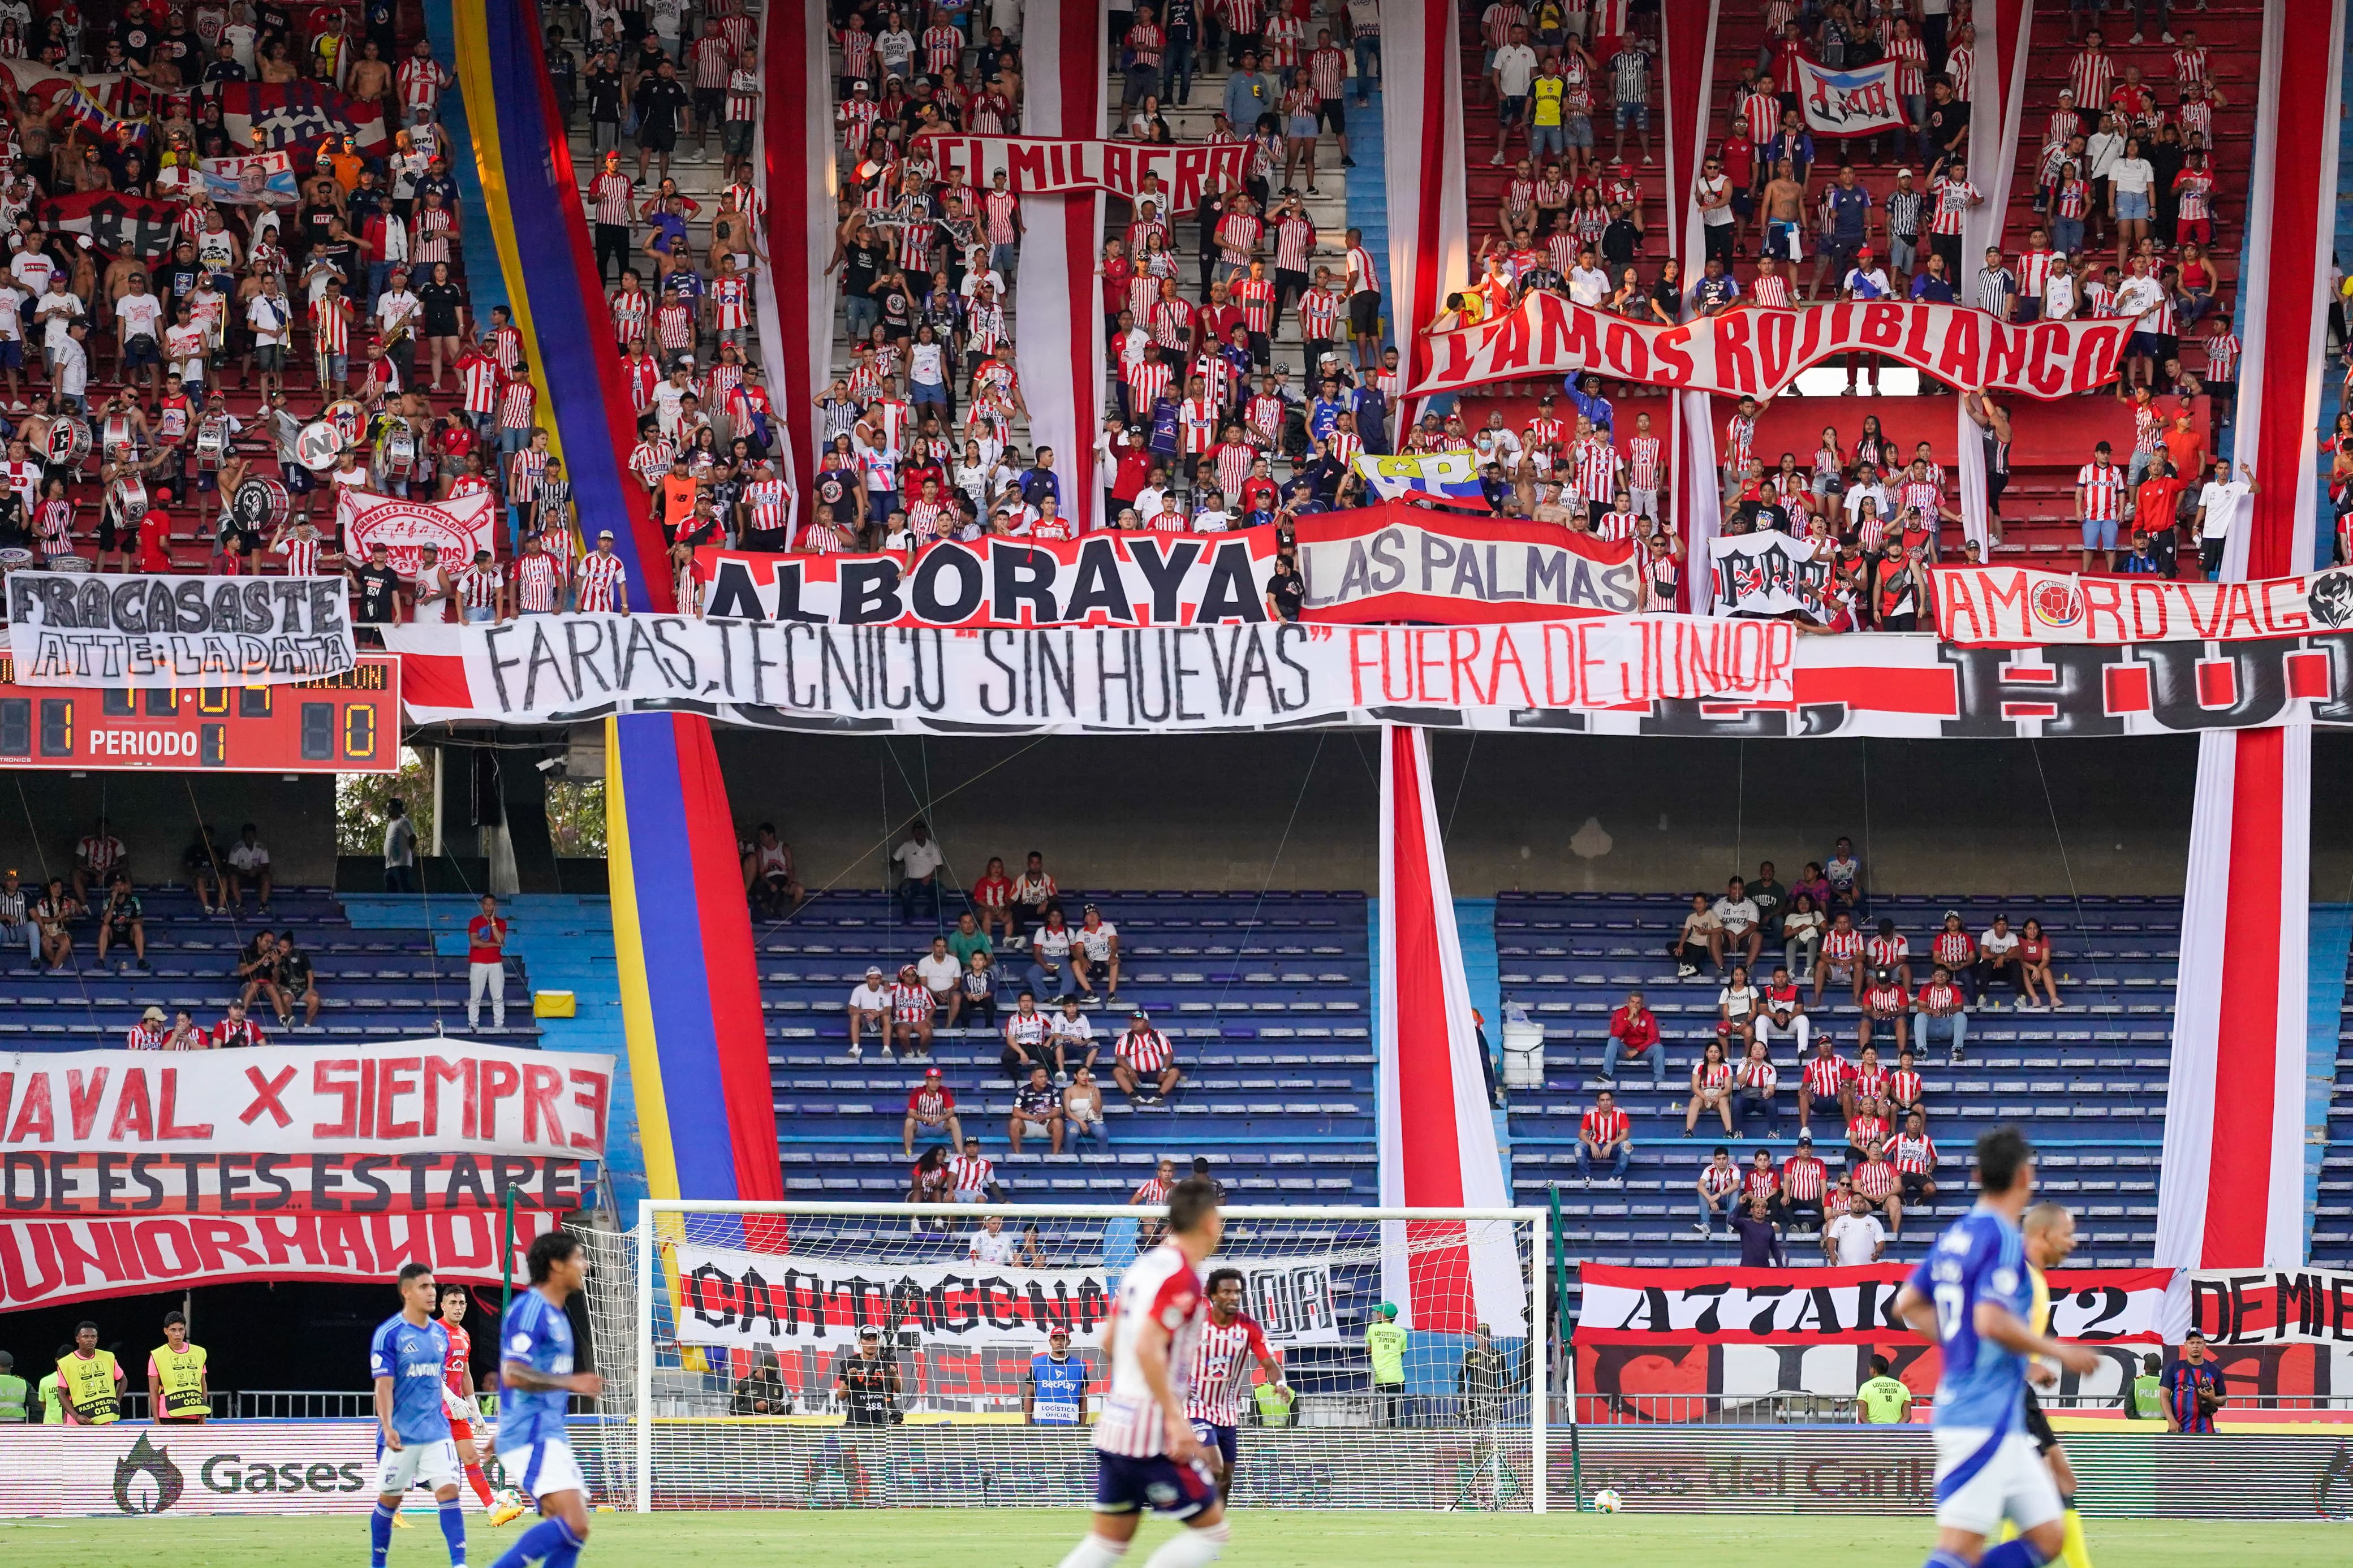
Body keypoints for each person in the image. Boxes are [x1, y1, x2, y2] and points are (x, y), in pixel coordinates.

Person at [1893, 1128, 2100, 1568]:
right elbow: (1991, 1319)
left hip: (1997, 1418)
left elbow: (1906, 1304)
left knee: (2049, 1536)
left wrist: (1961, 1340)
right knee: (1958, 1550)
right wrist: (2059, 1351)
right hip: (1977, 1416)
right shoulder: (2004, 1237)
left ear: (1976, 1174)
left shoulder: (1956, 1234)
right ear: (2026, 1175)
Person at [1056, 1175, 1230, 1568]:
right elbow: (1147, 1344)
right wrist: (1174, 1419)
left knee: (1108, 1541)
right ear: (1208, 1222)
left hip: (1117, 1420)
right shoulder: (1182, 1276)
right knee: (1212, 1531)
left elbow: (1109, 1340)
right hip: (1151, 1432)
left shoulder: (1142, 1265)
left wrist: (1132, 1389)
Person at [487, 1231, 604, 1568]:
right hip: (533, 1435)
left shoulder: (557, 1315)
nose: (585, 1266)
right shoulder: (531, 1309)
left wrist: (502, 1430)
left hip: (544, 1433)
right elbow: (513, 1373)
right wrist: (571, 1381)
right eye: (579, 1258)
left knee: (575, 1528)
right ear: (556, 1264)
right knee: (575, 1523)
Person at [368, 1263, 467, 1568]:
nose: (431, 1292)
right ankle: (378, 1563)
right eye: (424, 1287)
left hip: (436, 1431)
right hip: (401, 1434)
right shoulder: (389, 1334)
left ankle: (459, 1563)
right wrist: (387, 1427)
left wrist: (460, 1406)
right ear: (406, 1292)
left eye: (433, 1287)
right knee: (390, 1500)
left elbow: (436, 1380)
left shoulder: (441, 1336)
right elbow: (383, 1388)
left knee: (449, 1491)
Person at [2019, 1204, 2096, 1568]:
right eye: (2068, 1233)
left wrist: (2030, 1364)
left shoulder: (2035, 1279)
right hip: (2005, 1397)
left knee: (2039, 1490)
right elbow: (1985, 1326)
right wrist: (2046, 1358)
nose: (2074, 1242)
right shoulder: (2020, 1277)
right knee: (2059, 1481)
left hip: (2013, 1393)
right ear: (2044, 1234)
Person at [1186, 1266, 1288, 1497]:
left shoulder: (1249, 1327)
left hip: (1228, 1412)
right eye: (1226, 1292)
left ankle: (1213, 1529)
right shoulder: (1194, 1323)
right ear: (1212, 1295)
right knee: (1214, 1468)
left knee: (1226, 1480)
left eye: (1237, 1292)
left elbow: (1270, 1365)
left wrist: (1279, 1384)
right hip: (1196, 1407)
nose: (1233, 1297)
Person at [436, 1284, 514, 1521]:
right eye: (452, 1303)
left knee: (471, 1457)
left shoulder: (464, 1335)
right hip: (432, 1410)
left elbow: (465, 1373)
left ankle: (494, 1510)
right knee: (413, 1459)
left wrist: (474, 1407)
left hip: (456, 1410)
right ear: (442, 1306)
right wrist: (449, 1396)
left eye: (461, 1303)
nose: (457, 1308)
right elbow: (429, 1372)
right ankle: (391, 1509)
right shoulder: (434, 1333)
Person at [54, 1320, 123, 1424]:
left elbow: (123, 1380)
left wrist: (116, 1403)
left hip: (104, 1419)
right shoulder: (66, 1363)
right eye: (85, 1337)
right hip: (78, 1422)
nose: (90, 1340)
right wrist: (76, 1416)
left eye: (93, 1337)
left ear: (97, 1339)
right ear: (78, 1339)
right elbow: (61, 1393)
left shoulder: (108, 1357)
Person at [148, 1311, 208, 1424]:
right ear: (166, 1331)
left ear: (185, 1330)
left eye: (181, 1330)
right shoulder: (157, 1355)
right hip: (168, 1414)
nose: (177, 1334)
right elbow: (153, 1390)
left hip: (193, 1413)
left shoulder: (199, 1352)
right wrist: (156, 1421)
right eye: (173, 1330)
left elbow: (203, 1385)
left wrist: (203, 1415)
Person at [1113, 1010, 1182, 1104]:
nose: (1135, 1023)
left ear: (1147, 1023)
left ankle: (1159, 1097)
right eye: (1133, 1021)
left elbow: (1169, 1055)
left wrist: (1165, 1070)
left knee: (1175, 1072)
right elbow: (1120, 1057)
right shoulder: (1126, 1037)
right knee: (1118, 1071)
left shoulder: (1158, 1035)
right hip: (1135, 1074)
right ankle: (1134, 1096)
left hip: (1157, 1074)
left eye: (1139, 1021)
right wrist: (1130, 1070)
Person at [2161, 1332, 2225, 1433]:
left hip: (2206, 1430)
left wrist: (2213, 1399)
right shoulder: (2174, 1368)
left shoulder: (2214, 1370)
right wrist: (2171, 1421)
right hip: (2179, 1429)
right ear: (2185, 1345)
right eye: (2192, 1343)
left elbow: (2223, 1398)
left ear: (2204, 1345)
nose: (2195, 1346)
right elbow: (2164, 1396)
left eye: (2199, 1343)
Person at [1028, 1327, 1089, 1425]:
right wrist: (1028, 1427)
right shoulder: (1037, 1363)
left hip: (1070, 1426)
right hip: (1042, 1425)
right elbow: (1029, 1395)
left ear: (1069, 1342)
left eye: (1063, 1339)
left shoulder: (1080, 1366)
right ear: (1050, 1342)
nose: (1059, 1343)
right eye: (1056, 1339)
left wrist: (1082, 1427)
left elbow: (1083, 1398)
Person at [1601, 990, 1662, 1086]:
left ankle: (1660, 1080)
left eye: (1638, 1003)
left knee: (1658, 1048)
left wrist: (1638, 1050)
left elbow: (1654, 1039)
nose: (1635, 1006)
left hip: (1642, 1052)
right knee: (1613, 1041)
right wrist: (1628, 1019)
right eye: (1632, 1002)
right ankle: (1606, 1074)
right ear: (1627, 1002)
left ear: (1642, 1005)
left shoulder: (1649, 1017)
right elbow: (1616, 1034)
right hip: (1624, 1050)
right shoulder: (1619, 1014)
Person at [466, 894, 508, 1032]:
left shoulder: (501, 923)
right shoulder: (475, 922)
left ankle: (499, 1025)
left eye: (492, 905)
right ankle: (473, 1024)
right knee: (475, 997)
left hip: (496, 963)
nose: (489, 907)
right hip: (478, 963)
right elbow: (475, 942)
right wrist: (495, 945)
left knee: (498, 997)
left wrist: (493, 922)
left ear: (495, 906)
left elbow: (500, 939)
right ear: (482, 905)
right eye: (486, 904)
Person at [891, 819, 946, 925]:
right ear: (913, 832)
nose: (919, 831)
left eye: (922, 829)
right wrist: (900, 871)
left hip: (929, 881)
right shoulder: (906, 846)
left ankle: (928, 916)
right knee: (904, 890)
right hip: (911, 881)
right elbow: (894, 859)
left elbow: (939, 867)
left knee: (942, 892)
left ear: (926, 832)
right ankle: (910, 920)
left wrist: (930, 877)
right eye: (916, 829)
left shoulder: (933, 847)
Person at [1364, 1299, 1408, 1428]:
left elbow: (1368, 1347)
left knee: (1375, 1410)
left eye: (1377, 1313)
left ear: (1383, 1316)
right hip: (1396, 1376)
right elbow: (1401, 1354)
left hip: (1378, 1377)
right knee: (1394, 1414)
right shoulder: (1402, 1333)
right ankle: (1394, 1436)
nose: (1375, 1315)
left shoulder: (1373, 1329)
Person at [903, 1066, 964, 1157]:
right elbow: (911, 1113)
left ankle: (960, 1154)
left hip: (938, 1126)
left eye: (937, 1080)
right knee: (909, 1121)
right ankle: (908, 1152)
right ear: (926, 1081)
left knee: (954, 1120)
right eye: (931, 1080)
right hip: (921, 1127)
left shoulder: (944, 1091)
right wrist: (924, 1118)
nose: (934, 1083)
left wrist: (940, 1118)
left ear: (940, 1082)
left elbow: (951, 1112)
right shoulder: (917, 1092)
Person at [1575, 1088, 1630, 1182]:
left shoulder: (1620, 1113)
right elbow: (1582, 1135)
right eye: (1602, 1100)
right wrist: (1592, 1144)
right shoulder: (1590, 1114)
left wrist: (1611, 1144)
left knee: (1627, 1146)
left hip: (1613, 1148)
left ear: (1613, 1101)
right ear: (1598, 1102)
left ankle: (1615, 1178)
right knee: (1578, 1147)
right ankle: (1587, 1178)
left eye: (1608, 1100)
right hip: (1595, 1149)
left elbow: (1625, 1135)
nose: (1606, 1103)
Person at [1009, 1065, 1066, 1154]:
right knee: (1014, 1122)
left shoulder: (1053, 1091)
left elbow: (1058, 1111)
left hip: (1046, 1125)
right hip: (1028, 1125)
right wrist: (1034, 1118)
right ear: (1032, 1078)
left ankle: (1055, 1156)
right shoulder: (1024, 1091)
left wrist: (1046, 1116)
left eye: (1045, 1076)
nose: (1044, 1079)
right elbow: (1016, 1113)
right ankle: (1018, 1155)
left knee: (1058, 1122)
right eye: (1041, 1077)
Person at [1825, 1188, 1888, 1265]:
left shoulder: (1874, 1222)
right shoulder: (1841, 1220)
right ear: (1850, 1205)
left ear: (1865, 1205)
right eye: (1855, 1202)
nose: (1858, 1204)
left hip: (1867, 1267)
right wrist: (1832, 1254)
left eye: (1861, 1202)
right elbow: (1831, 1239)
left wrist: (1877, 1253)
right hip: (1845, 1267)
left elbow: (1881, 1242)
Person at [1693, 1146, 1741, 1236]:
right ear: (1714, 1160)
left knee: (1735, 1191)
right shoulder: (1710, 1169)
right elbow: (1700, 1185)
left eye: (1724, 1159)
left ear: (1728, 1159)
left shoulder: (1734, 1169)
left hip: (1728, 1199)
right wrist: (1711, 1200)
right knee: (1702, 1191)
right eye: (1718, 1159)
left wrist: (1719, 1195)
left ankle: (1731, 1225)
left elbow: (1736, 1185)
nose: (1721, 1161)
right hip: (1714, 1200)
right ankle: (1705, 1225)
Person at [226, 822, 273, 912]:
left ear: (255, 836)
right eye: (247, 836)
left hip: (257, 876)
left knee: (267, 877)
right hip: (242, 875)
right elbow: (231, 867)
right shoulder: (237, 848)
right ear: (243, 836)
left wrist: (256, 871)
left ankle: (263, 905)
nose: (249, 838)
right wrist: (247, 872)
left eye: (251, 836)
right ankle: (240, 904)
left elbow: (266, 867)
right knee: (232, 878)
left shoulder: (261, 848)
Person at [1856, 1355, 1915, 1424]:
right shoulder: (1903, 1388)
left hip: (1874, 1431)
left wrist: (1872, 1431)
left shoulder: (1865, 1387)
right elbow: (1907, 1416)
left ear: (1873, 1370)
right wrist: (1896, 1429)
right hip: (1895, 1432)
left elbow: (1862, 1416)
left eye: (1870, 1368)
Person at [731, 1351, 787, 1415]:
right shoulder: (745, 1384)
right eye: (768, 1373)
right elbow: (733, 1410)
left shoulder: (778, 1385)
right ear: (759, 1368)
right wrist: (755, 1407)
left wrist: (779, 1408)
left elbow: (789, 1408)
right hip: (751, 1423)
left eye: (773, 1374)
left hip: (773, 1423)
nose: (770, 1376)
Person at [383, 799, 420, 892]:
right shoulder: (390, 825)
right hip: (390, 864)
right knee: (391, 889)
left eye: (392, 808)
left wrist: (409, 852)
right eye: (388, 808)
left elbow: (412, 837)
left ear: (398, 810)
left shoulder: (403, 822)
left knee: (405, 887)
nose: (389, 810)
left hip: (401, 863)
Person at [2130, 1353, 2165, 1422]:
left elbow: (2129, 1410)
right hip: (2163, 1427)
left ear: (2144, 1367)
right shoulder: (2167, 1384)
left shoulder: (2136, 1383)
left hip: (2140, 1427)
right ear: (2160, 1368)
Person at [0, 1349, 23, 1423]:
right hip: (17, 1428)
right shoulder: (23, 1383)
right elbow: (36, 1407)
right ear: (11, 1366)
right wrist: (32, 1426)